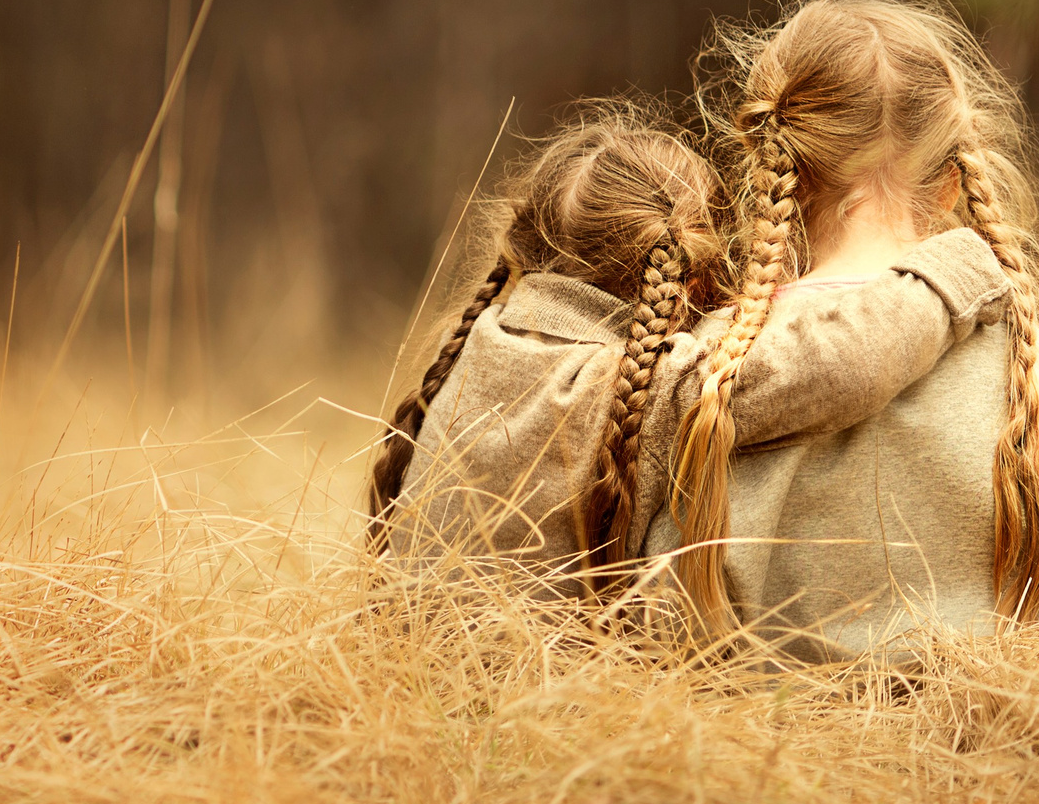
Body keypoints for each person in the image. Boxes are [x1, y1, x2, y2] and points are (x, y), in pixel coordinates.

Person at [369, 108, 999, 608]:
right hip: (531, 702)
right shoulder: (644, 388)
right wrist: (952, 267)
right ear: (691, 279)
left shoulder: (477, 345)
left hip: (414, 671)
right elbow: (836, 366)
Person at [648, 0, 1039, 661]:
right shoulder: (1017, 343)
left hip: (773, 726)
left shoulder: (721, 361)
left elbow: (664, 571)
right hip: (1002, 714)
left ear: (780, 175)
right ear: (951, 183)